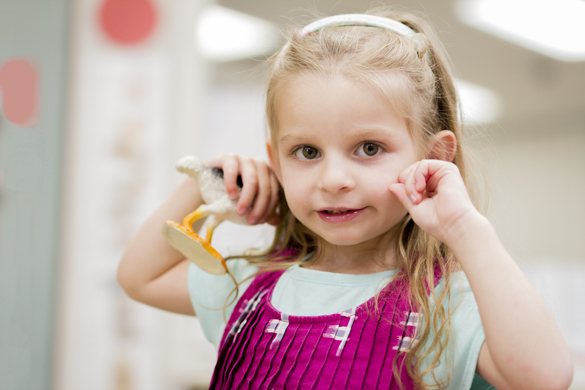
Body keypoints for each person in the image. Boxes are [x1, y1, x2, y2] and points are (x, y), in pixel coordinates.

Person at [117, 8, 573, 390]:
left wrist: (465, 228)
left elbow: (547, 377)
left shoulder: (446, 300)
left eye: (369, 149)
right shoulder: (251, 285)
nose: (333, 179)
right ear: (276, 161)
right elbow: (139, 277)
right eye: (307, 152)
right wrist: (203, 183)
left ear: (433, 158)